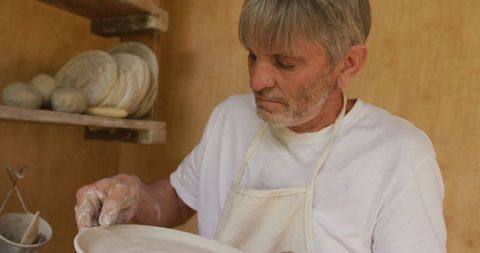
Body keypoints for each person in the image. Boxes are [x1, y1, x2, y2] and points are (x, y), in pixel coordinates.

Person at [75, 0, 447, 252]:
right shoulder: (230, 118)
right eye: (253, 55)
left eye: (284, 63)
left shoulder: (399, 154)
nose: (257, 81)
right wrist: (135, 196)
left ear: (348, 63)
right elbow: (176, 198)